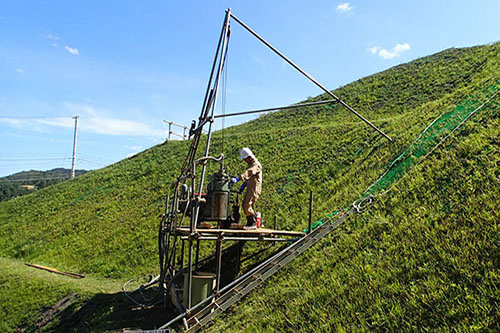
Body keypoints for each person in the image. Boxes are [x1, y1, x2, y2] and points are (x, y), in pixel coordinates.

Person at [231, 148, 262, 229]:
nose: (244, 161)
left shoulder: (255, 164)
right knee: (245, 204)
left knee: (247, 204)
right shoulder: (251, 164)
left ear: (249, 157)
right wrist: (243, 186)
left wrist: (238, 178)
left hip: (254, 188)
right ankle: (250, 222)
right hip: (251, 187)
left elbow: (249, 173)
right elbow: (249, 178)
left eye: (245, 159)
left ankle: (253, 222)